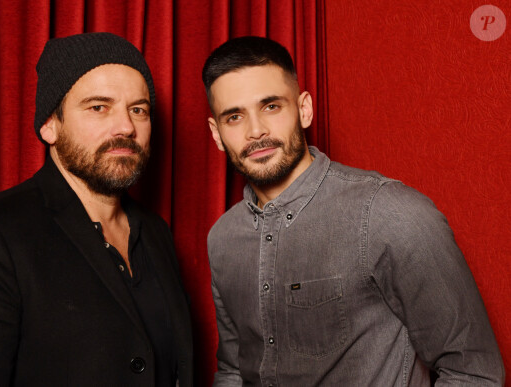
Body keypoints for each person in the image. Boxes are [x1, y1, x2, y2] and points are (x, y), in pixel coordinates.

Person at [202, 36, 504, 386]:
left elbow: (473, 372)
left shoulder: (388, 213)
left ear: (304, 110)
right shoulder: (222, 239)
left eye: (271, 106)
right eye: (234, 116)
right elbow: (234, 370)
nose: (256, 131)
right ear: (217, 133)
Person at [0, 32, 193, 386]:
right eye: (98, 107)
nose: (126, 127)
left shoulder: (156, 232)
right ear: (50, 125)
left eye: (138, 110)